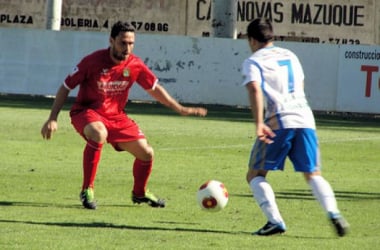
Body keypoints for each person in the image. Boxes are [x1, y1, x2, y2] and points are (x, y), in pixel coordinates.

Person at [41, 21, 207, 210]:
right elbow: (66, 86)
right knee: (98, 133)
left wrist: (180, 109)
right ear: (111, 40)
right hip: (87, 112)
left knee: (146, 153)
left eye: (131, 43)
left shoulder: (134, 64)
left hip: (116, 117)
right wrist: (53, 118)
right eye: (123, 43)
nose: (127, 48)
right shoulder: (92, 61)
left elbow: (154, 89)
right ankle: (87, 189)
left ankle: (139, 193)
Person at [241, 18, 349, 236]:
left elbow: (254, 89)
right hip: (305, 118)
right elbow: (300, 85)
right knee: (313, 174)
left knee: (255, 175)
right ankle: (334, 213)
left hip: (278, 121)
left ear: (252, 40)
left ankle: (275, 221)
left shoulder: (253, 61)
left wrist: (260, 122)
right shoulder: (290, 55)